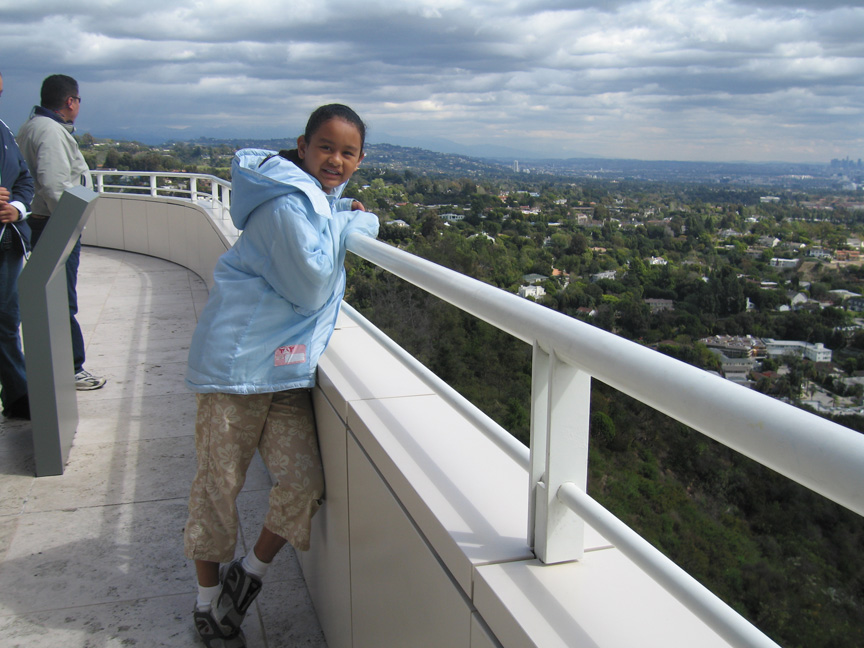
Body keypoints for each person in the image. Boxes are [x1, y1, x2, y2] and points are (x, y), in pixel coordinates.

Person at [183, 104, 379, 647]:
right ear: (303, 144)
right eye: (326, 147)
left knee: (303, 484)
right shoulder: (285, 202)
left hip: (284, 370)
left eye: (347, 151)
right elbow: (313, 284)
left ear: (360, 159)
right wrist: (355, 222)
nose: (335, 159)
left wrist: (342, 216)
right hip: (236, 370)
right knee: (217, 488)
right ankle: (205, 605)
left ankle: (246, 578)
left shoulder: (316, 199)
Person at [16, 74, 105, 391]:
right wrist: (71, 226)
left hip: (41, 222)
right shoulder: (51, 132)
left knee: (55, 299)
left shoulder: (33, 127)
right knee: (62, 300)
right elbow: (54, 186)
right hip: (53, 225)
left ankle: (60, 369)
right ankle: (72, 369)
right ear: (70, 101)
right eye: (78, 100)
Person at [0, 71, 34, 420]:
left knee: (7, 322)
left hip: (7, 246)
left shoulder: (4, 131)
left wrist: (17, 208)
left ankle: (18, 395)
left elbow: (23, 178)